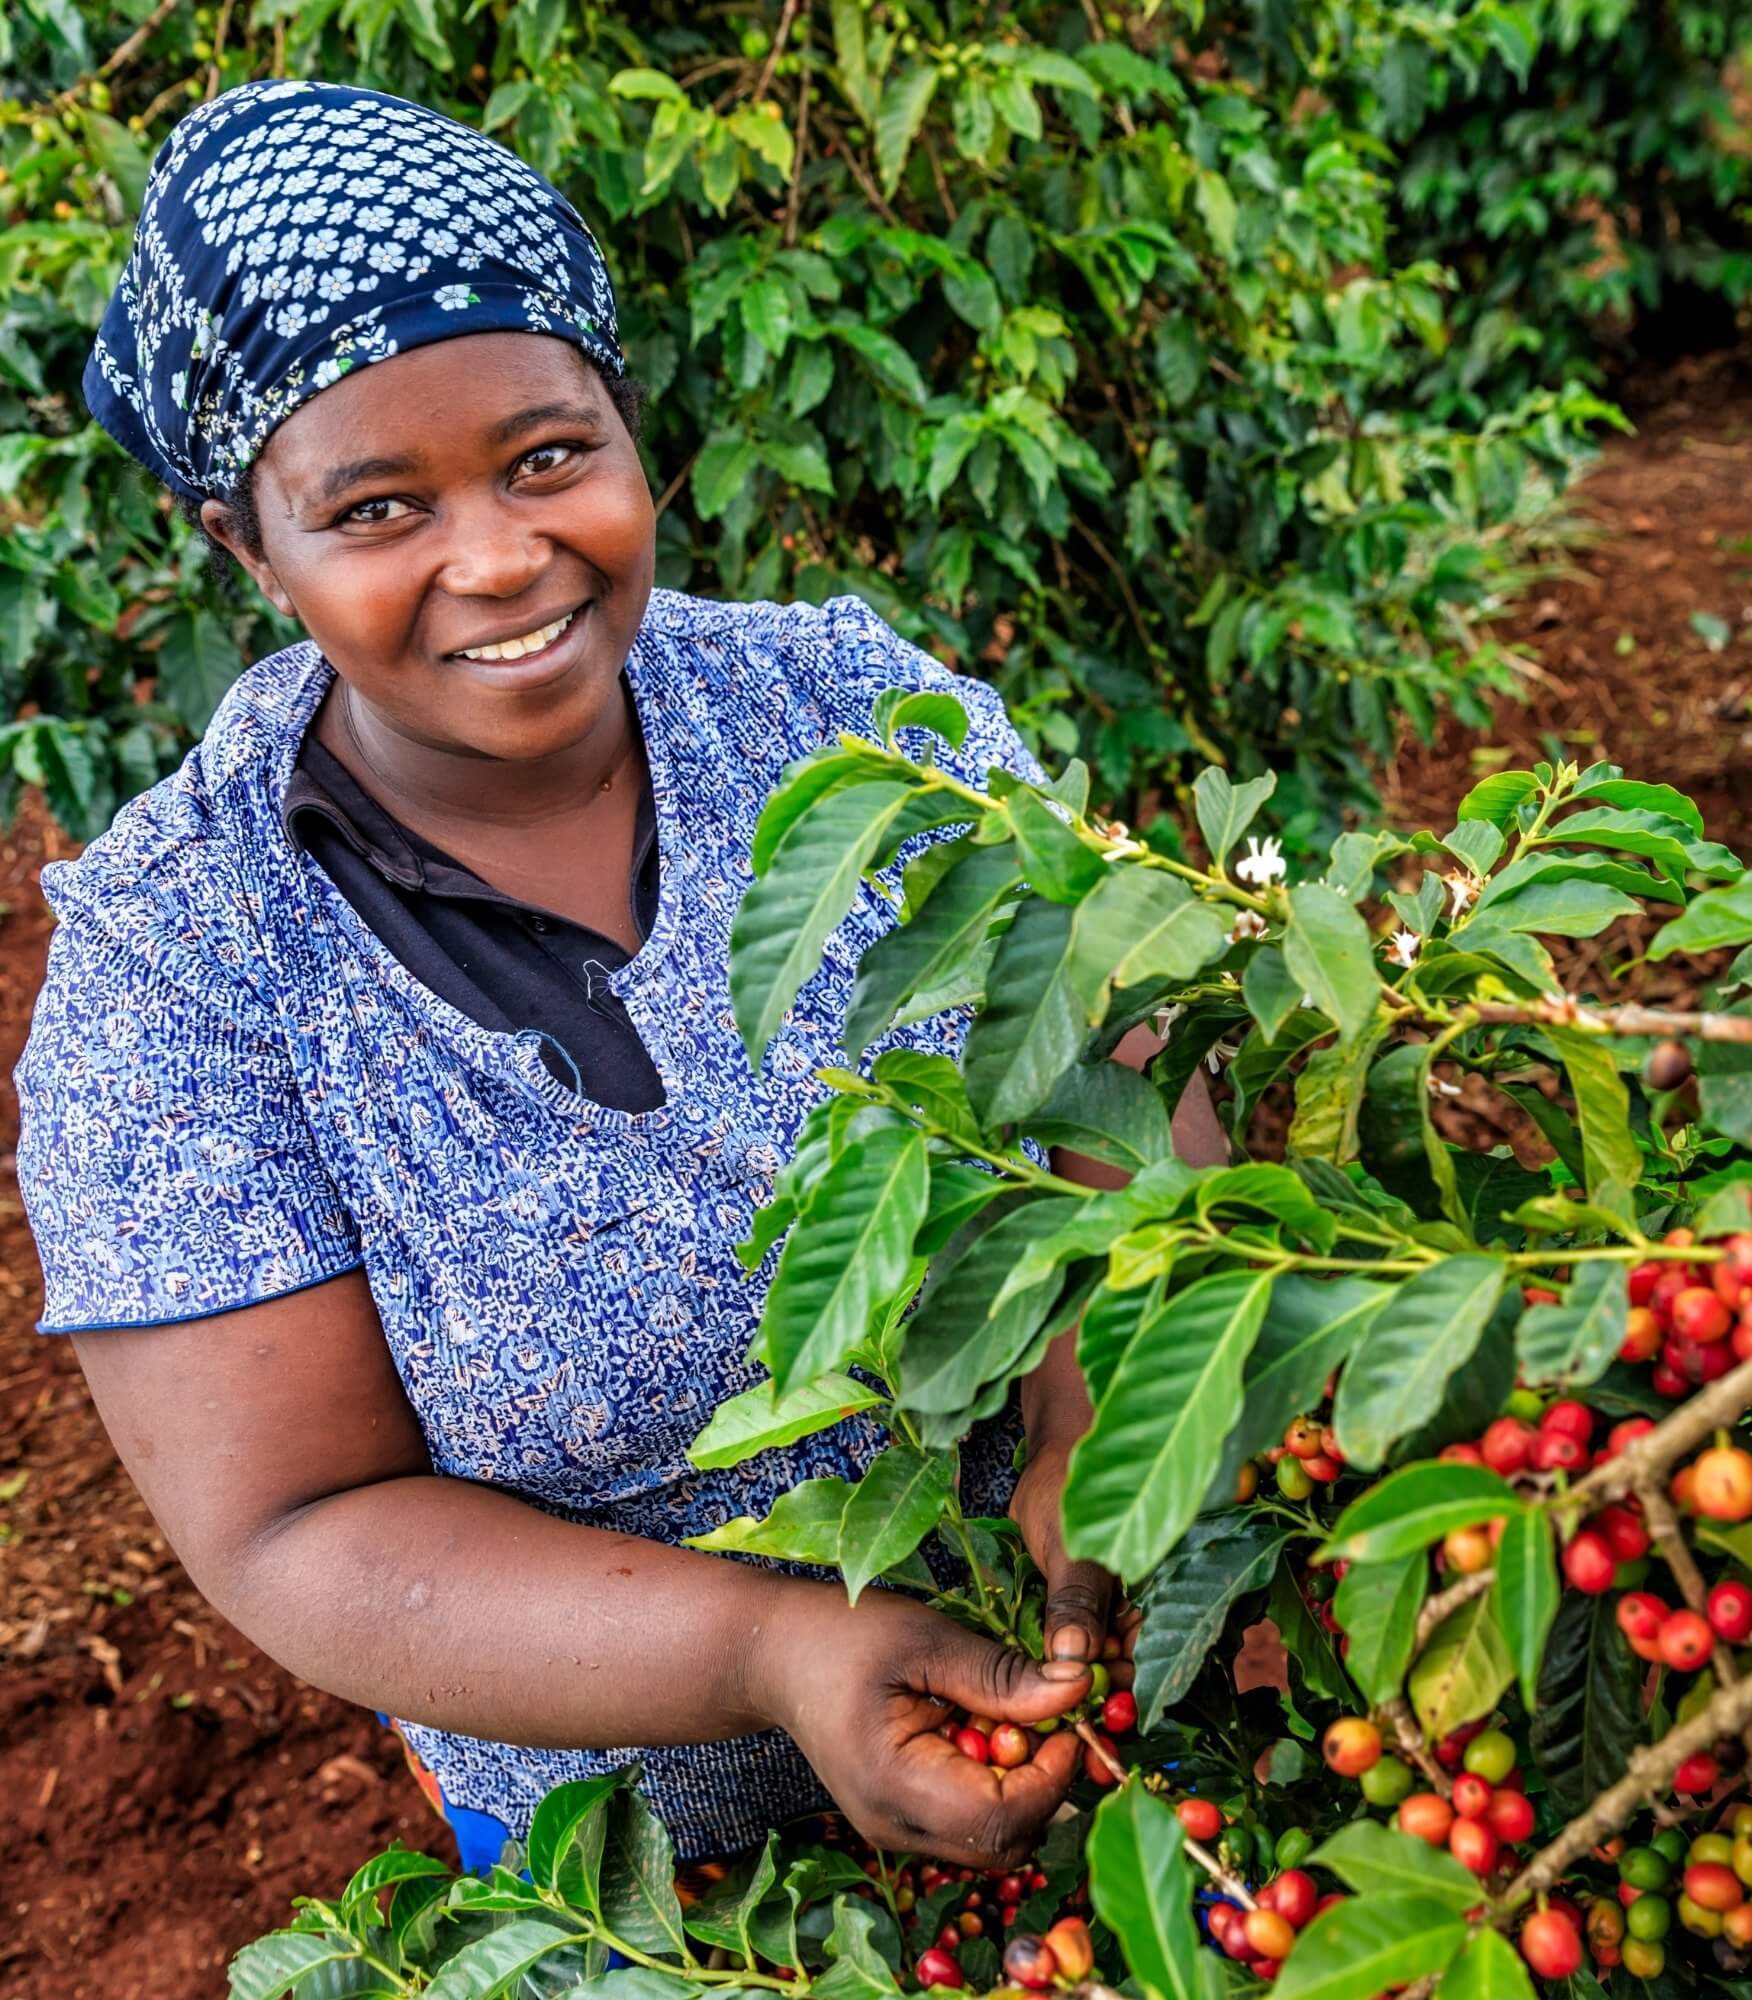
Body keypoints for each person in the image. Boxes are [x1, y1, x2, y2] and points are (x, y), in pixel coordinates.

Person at [15, 81, 1221, 1875]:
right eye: (374, 509)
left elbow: (1122, 1047)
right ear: (241, 545)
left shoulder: (849, 719)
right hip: (655, 1890)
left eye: (547, 456)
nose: (499, 558)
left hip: (1101, 1714)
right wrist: (773, 1650)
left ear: (625, 426)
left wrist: (1098, 1431)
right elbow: (293, 1523)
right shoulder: (174, 974)